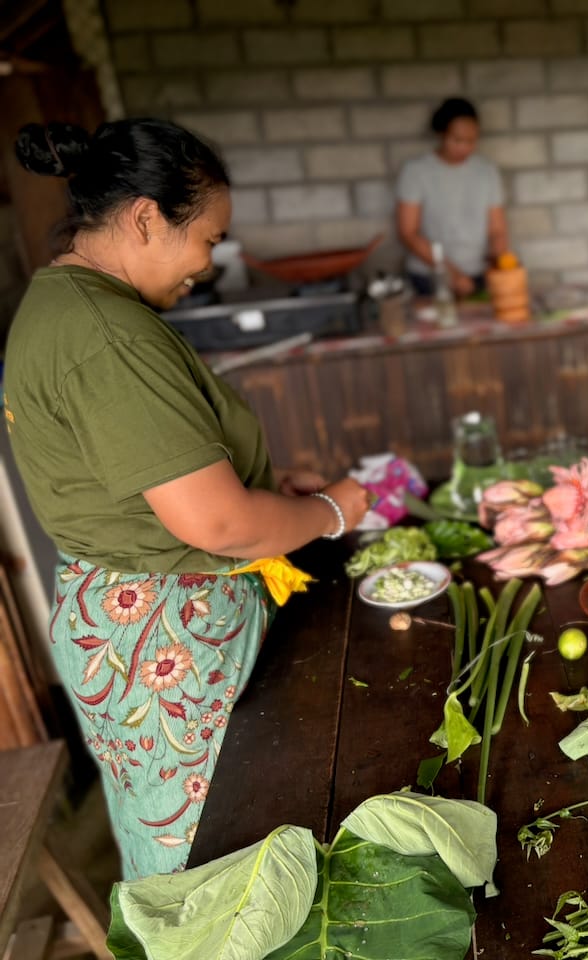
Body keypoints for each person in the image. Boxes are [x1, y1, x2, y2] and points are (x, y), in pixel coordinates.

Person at [4, 119, 371, 879]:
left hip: (128, 622)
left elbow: (164, 478)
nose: (208, 262)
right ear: (144, 217)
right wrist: (333, 510)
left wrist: (266, 487)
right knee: (214, 870)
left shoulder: (68, 307)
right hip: (165, 643)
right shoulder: (105, 334)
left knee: (178, 847)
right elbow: (219, 522)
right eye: (208, 238)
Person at [395, 97, 508, 299]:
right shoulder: (416, 172)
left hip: (477, 275)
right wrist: (452, 274)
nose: (464, 148)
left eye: (471, 141)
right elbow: (408, 232)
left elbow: (497, 231)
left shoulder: (487, 172)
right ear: (441, 134)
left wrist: (501, 269)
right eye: (457, 140)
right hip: (429, 277)